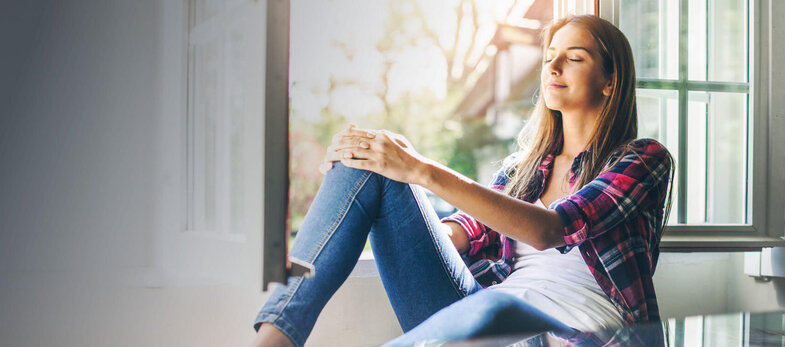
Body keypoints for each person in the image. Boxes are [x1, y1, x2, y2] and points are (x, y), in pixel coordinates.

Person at [251, 14, 673, 347]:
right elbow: (464, 232)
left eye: (574, 58)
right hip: (488, 307)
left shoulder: (641, 160)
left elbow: (551, 230)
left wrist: (420, 168)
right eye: (549, 58)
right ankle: (273, 341)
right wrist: (390, 173)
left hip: (575, 330)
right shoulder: (523, 169)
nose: (554, 67)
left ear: (610, 81)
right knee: (368, 162)